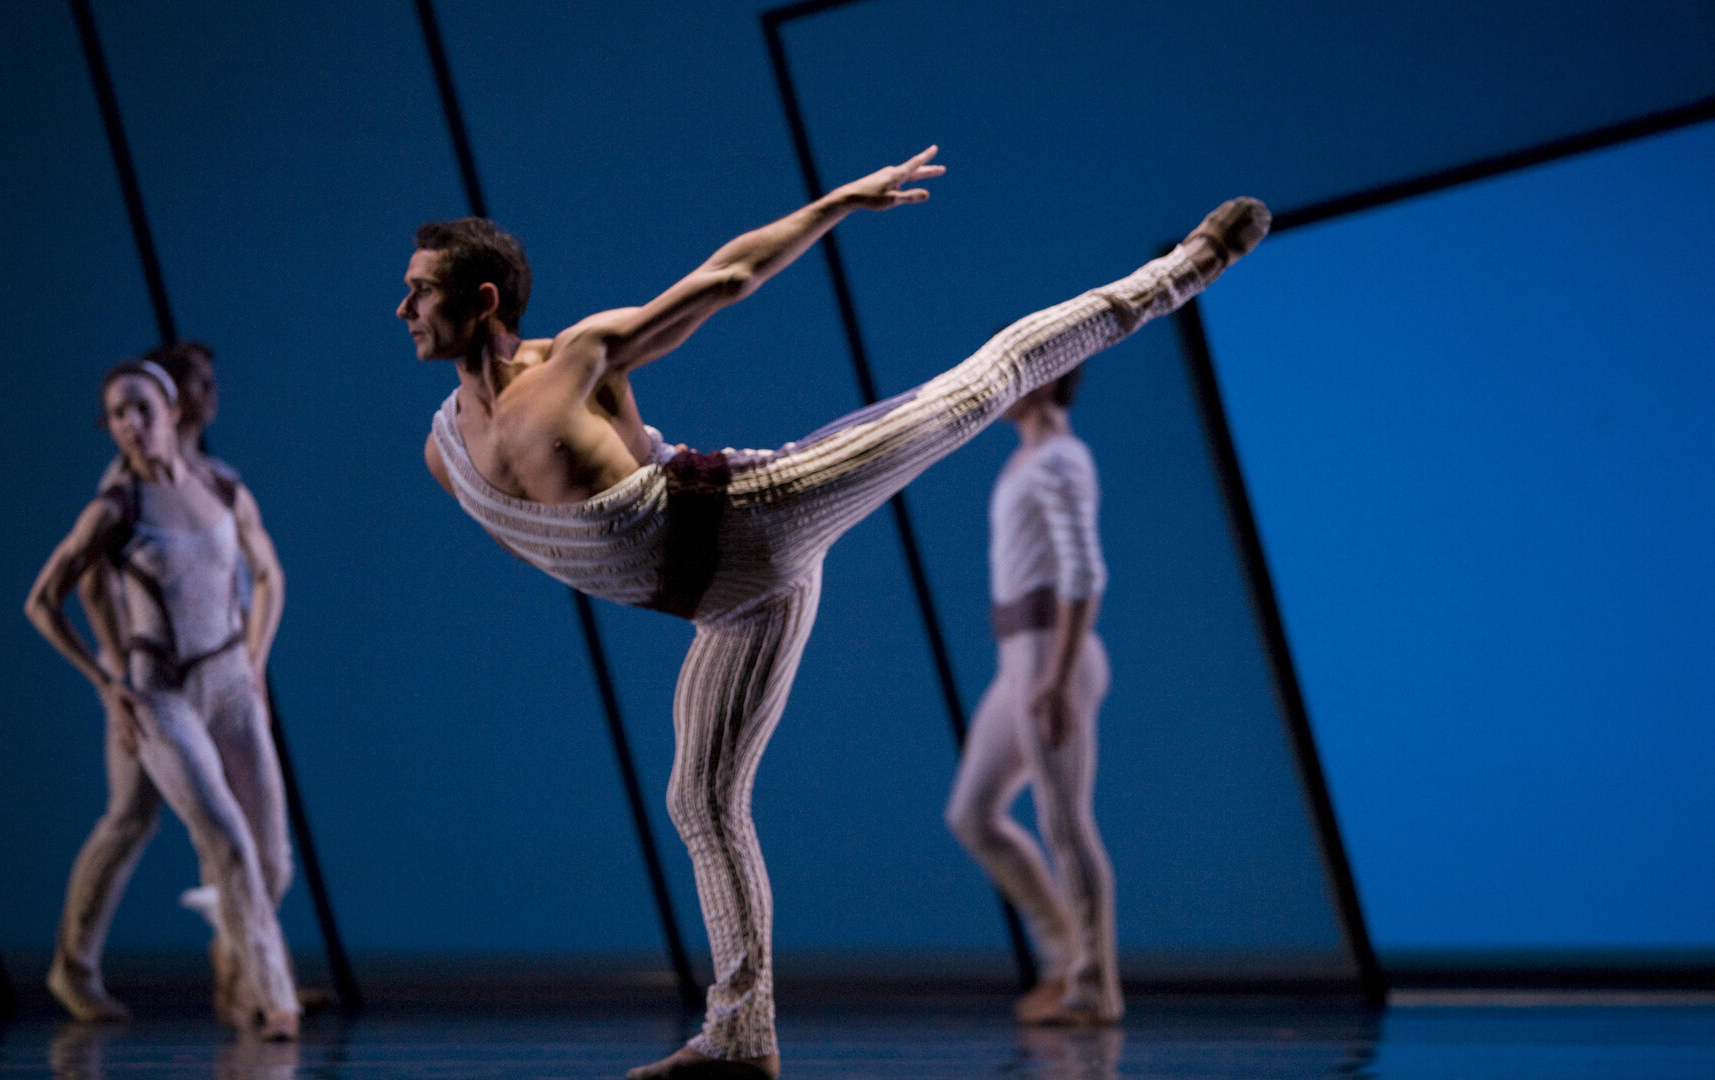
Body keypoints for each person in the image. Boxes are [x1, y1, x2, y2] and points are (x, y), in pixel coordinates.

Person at [403, 146, 1267, 1077]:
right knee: (700, 799)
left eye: (421, 291)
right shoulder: (446, 452)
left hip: (761, 510)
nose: (405, 310)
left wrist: (837, 204)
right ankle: (741, 1039)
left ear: (484, 300)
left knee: (976, 389)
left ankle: (1185, 269)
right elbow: (567, 547)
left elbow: (725, 278)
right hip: (726, 608)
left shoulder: (575, 362)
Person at [27, 358, 299, 1040]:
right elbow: (83, 591)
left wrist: (253, 664)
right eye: (120, 414)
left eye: (142, 410)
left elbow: (263, 574)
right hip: (156, 689)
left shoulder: (219, 481)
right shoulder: (119, 496)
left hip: (224, 681)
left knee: (263, 857)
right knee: (139, 820)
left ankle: (239, 969)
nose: (130, 425)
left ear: (172, 411)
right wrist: (114, 683)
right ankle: (83, 967)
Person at [947, 366, 1121, 1027]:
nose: (994, 386)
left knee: (1065, 823)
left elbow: (1085, 573)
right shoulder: (1026, 456)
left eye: (1010, 371)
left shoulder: (1061, 459)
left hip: (1054, 656)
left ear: (1043, 381)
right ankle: (1063, 957)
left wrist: (1056, 678)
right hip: (1019, 657)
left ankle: (1095, 988)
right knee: (973, 814)